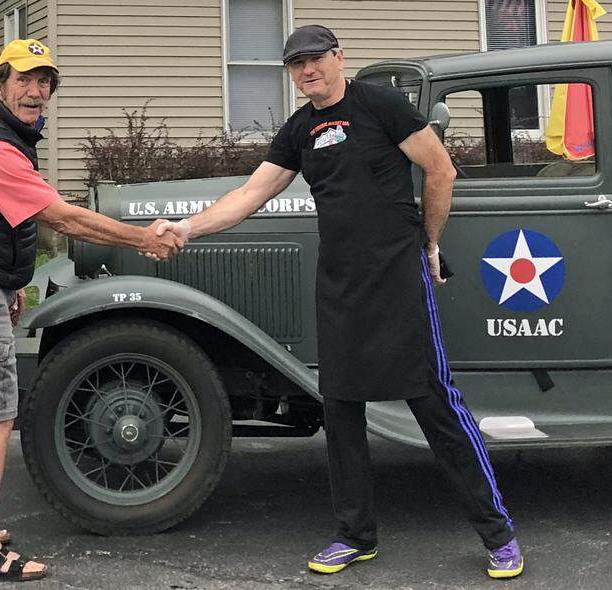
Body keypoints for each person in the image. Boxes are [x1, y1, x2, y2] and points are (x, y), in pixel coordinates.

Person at [152, 25, 524, 579]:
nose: (308, 71)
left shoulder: (381, 105)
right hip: (340, 286)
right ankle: (355, 534)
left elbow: (440, 169)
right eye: (297, 64)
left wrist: (429, 244)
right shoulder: (300, 130)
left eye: (316, 59)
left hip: (398, 277)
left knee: (435, 405)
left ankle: (499, 536)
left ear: (338, 58)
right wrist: (186, 227)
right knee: (342, 410)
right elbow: (250, 194)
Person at [0, 39, 183, 582]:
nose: (36, 90)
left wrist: (9, 282)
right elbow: (64, 218)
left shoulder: (4, 136)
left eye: (45, 81)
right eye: (25, 78)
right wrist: (141, 239)